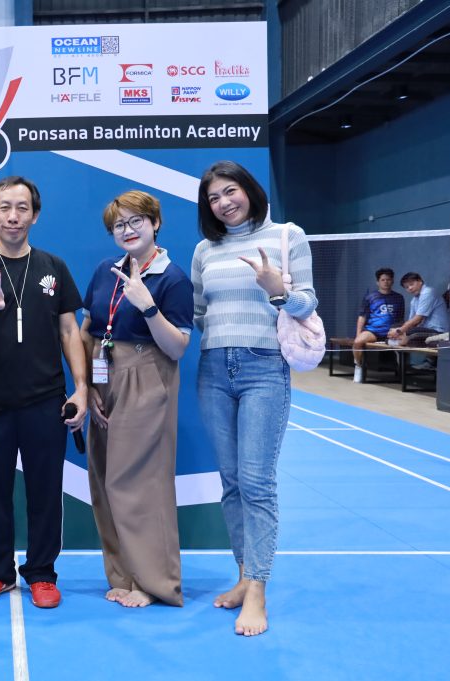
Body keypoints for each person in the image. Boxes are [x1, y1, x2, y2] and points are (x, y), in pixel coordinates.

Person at [191, 160, 318, 637]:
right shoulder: (205, 250)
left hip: (265, 368)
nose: (224, 203)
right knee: (231, 483)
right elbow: (200, 311)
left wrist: (278, 291)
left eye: (230, 191)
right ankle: (243, 575)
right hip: (213, 369)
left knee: (256, 482)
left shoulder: (287, 236)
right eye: (213, 198)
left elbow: (308, 302)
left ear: (249, 189)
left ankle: (258, 589)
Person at [0, 176, 87, 610]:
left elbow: (69, 331)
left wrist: (81, 388)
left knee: (45, 491)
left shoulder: (53, 266)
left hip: (45, 400)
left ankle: (42, 574)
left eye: (23, 208)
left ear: (35, 214)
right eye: (5, 207)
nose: (13, 216)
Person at [80, 190, 193, 608]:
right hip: (105, 373)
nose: (127, 230)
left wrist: (148, 308)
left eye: (135, 221)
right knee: (105, 479)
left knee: (142, 484)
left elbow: (177, 347)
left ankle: (154, 582)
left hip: (147, 374)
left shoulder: (172, 277)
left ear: (155, 223)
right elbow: (91, 329)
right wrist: (91, 385)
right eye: (119, 225)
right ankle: (124, 574)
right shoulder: (105, 271)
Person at [351, 268, 404, 382]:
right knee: (357, 342)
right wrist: (358, 334)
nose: (386, 282)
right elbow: (362, 316)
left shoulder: (399, 298)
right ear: (378, 282)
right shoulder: (370, 297)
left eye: (388, 279)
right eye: (383, 280)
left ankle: (401, 371)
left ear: (392, 281)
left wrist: (397, 332)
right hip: (373, 331)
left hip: (391, 333)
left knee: (406, 343)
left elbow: (400, 319)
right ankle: (359, 366)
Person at [389, 272, 449, 347]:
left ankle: (398, 341)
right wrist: (398, 329)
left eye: (411, 284)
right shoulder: (414, 300)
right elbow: (411, 321)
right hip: (424, 329)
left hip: (438, 331)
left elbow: (417, 320)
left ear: (420, 281)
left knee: (412, 332)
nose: (410, 288)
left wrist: (399, 331)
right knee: (394, 326)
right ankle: (402, 340)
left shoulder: (428, 292)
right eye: (406, 287)